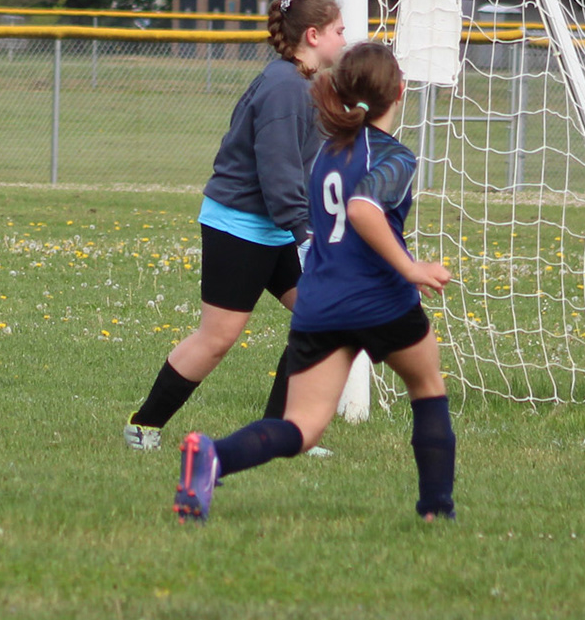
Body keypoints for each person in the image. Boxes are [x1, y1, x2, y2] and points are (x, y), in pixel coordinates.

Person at [172, 42, 455, 522]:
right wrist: (411, 269)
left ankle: (215, 455)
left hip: (321, 304)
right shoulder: (394, 157)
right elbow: (362, 210)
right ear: (400, 91)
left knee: (301, 428)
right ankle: (436, 510)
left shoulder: (327, 152)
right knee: (427, 387)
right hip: (380, 301)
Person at [124, 0, 347, 450]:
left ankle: (280, 434)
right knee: (217, 338)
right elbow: (278, 173)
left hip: (276, 226)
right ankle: (143, 427)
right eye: (339, 31)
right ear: (313, 35)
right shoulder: (285, 87)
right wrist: (306, 236)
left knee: (327, 315)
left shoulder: (305, 83)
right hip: (240, 226)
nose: (345, 39)